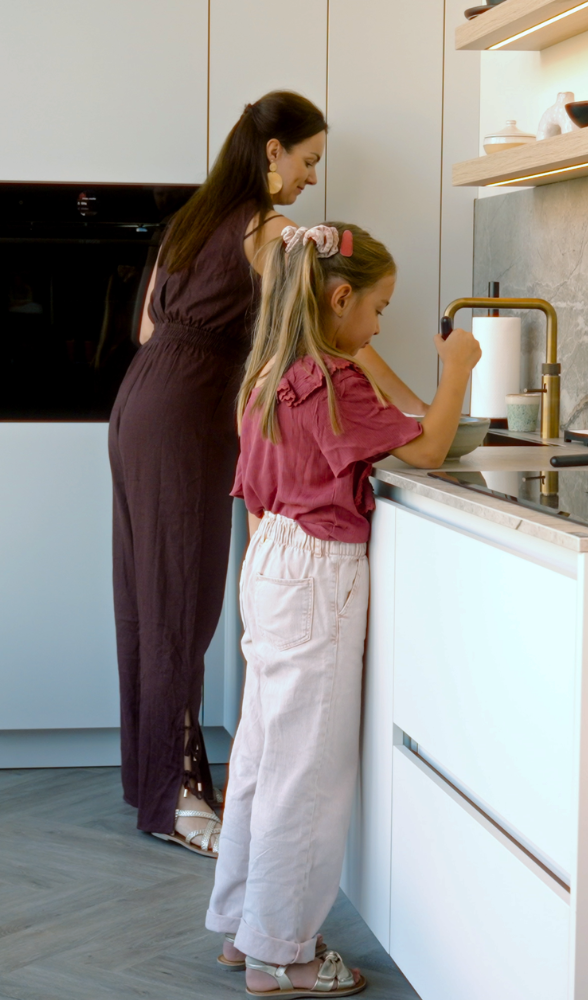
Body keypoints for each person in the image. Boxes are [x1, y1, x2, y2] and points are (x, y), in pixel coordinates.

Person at [108, 91, 428, 857]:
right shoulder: (270, 231)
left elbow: (146, 328)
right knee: (182, 604)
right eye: (309, 160)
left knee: (147, 599)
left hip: (138, 404)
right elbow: (332, 331)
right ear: (273, 151)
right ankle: (177, 801)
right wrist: (413, 406)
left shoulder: (190, 221)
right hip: (186, 417)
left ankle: (152, 782)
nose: (313, 177)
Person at [205, 221, 479, 996]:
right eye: (378, 309)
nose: (380, 326)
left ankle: (246, 926)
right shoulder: (333, 385)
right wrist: (458, 368)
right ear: (339, 299)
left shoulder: (272, 374)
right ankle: (282, 954)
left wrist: (359, 347)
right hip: (317, 574)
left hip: (269, 560)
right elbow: (429, 446)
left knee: (263, 755)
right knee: (309, 774)